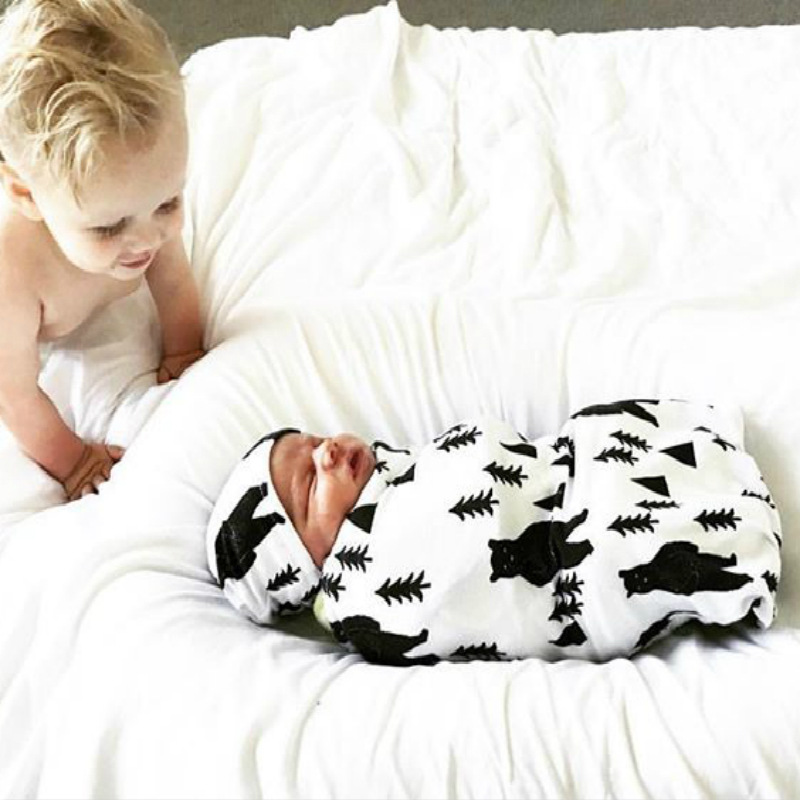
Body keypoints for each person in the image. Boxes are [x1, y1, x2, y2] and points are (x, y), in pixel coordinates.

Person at [207, 399, 782, 666]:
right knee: (617, 548)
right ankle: (735, 541)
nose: (328, 452)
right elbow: (458, 568)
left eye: (314, 442)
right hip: (565, 566)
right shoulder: (360, 598)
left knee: (599, 434)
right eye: (311, 483)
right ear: (303, 564)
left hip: (554, 478)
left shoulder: (390, 472)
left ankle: (708, 463)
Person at [0, 0, 204, 502]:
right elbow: (14, 394)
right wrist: (73, 461)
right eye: (109, 228)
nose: (148, 239)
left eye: (169, 202)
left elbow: (174, 282)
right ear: (28, 196)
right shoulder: (13, 274)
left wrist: (185, 352)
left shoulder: (139, 199)